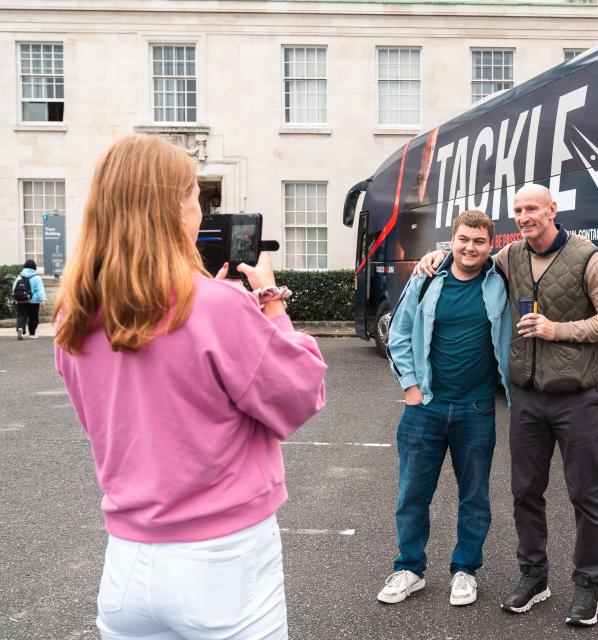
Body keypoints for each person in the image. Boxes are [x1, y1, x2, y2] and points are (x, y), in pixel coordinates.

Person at [53, 135, 328, 639]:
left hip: (127, 561)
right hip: (224, 558)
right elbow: (301, 392)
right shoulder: (217, 306)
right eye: (194, 196)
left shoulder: (74, 313)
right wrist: (270, 305)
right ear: (175, 208)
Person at [415, 184, 598, 626]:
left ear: (553, 210)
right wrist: (435, 256)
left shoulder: (589, 258)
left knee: (585, 494)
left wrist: (558, 330)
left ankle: (588, 583)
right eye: (518, 210)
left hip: (576, 398)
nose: (525, 216)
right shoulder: (509, 257)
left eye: (532, 208)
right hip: (528, 397)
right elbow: (468, 256)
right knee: (525, 492)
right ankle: (534, 576)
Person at [378, 210, 511, 608]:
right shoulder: (427, 279)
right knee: (412, 494)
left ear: (491, 246)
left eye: (479, 241)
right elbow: (398, 335)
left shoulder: (500, 280)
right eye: (463, 239)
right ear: (450, 241)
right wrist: (412, 389)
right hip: (427, 408)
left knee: (475, 496)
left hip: (477, 409)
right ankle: (410, 569)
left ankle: (465, 571)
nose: (470, 247)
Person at [12, 259, 46, 340]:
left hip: (21, 300)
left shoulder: (20, 276)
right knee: (33, 317)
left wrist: (14, 297)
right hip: (33, 301)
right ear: (34, 267)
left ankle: (20, 328)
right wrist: (42, 300)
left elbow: (14, 287)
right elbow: (40, 289)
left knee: (21, 316)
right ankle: (32, 333)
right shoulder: (37, 277)